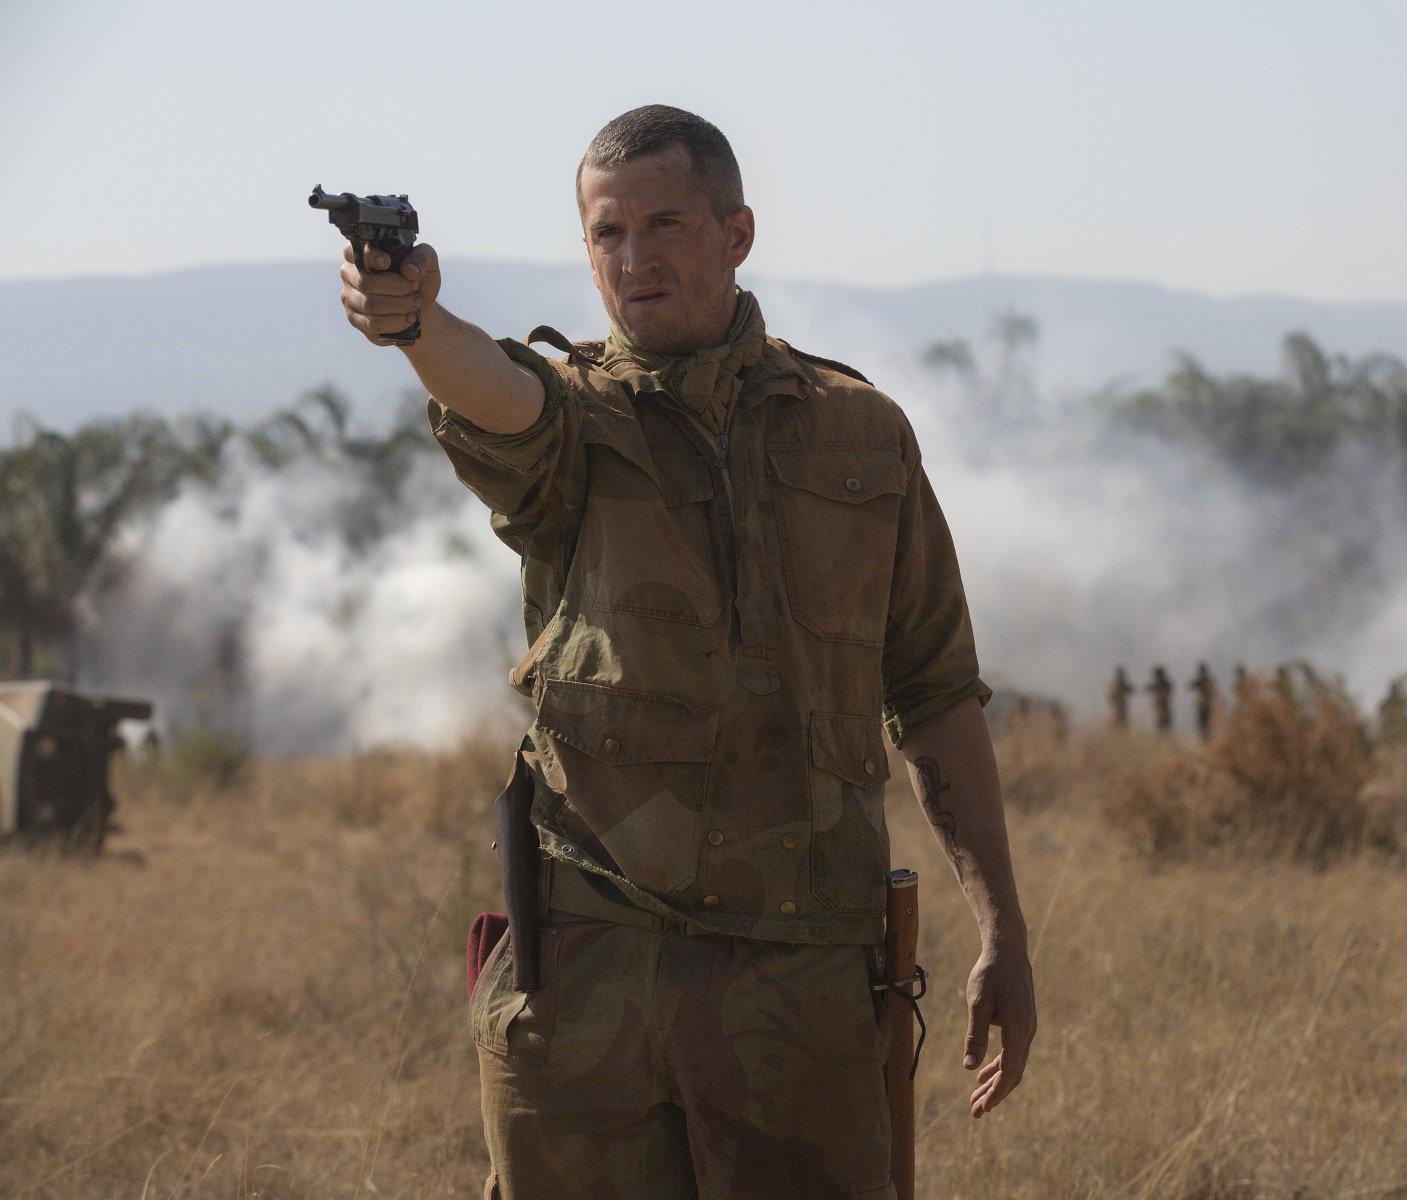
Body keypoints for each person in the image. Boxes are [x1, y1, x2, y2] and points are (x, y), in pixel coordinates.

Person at [336, 104, 1036, 1199]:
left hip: (795, 981)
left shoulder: (862, 435)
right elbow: (497, 391)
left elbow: (936, 692)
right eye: (607, 234)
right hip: (584, 982)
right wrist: (416, 321)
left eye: (664, 223)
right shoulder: (572, 421)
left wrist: (1003, 931)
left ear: (737, 233)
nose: (634, 257)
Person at [1187, 661, 1215, 740]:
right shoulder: (1202, 680)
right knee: (1202, 722)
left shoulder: (1208, 680)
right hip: (1202, 704)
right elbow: (1190, 686)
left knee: (1206, 722)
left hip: (1206, 704)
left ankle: (1206, 737)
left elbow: (1212, 691)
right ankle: (1204, 737)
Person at [1146, 664, 1174, 733]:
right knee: (1159, 725)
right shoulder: (1156, 683)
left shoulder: (1166, 683)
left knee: (1166, 726)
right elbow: (1147, 688)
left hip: (1164, 706)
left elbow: (1168, 693)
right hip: (1159, 707)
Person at [1106, 665, 1134, 729]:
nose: (1120, 675)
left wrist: (1123, 686)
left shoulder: (1124, 683)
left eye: (1121, 674)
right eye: (1119, 674)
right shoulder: (1113, 684)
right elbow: (1110, 696)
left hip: (1123, 706)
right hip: (1116, 706)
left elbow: (1131, 690)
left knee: (1124, 723)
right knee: (1116, 722)